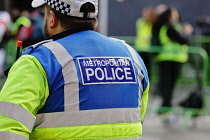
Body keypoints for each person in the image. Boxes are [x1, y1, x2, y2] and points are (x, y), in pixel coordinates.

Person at [0, 0, 150, 139]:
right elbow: (138, 118)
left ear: (52, 18)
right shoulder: (132, 56)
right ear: (93, 19)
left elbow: (6, 129)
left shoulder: (38, 61)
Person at [151, 6, 191, 115]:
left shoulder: (169, 26)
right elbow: (183, 40)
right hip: (171, 59)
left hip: (169, 58)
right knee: (168, 84)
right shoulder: (169, 27)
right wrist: (187, 32)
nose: (177, 13)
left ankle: (165, 106)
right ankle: (166, 107)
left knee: (166, 84)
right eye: (175, 12)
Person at [134, 6, 156, 77]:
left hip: (148, 49)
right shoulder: (140, 22)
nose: (145, 16)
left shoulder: (152, 23)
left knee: (147, 69)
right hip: (139, 48)